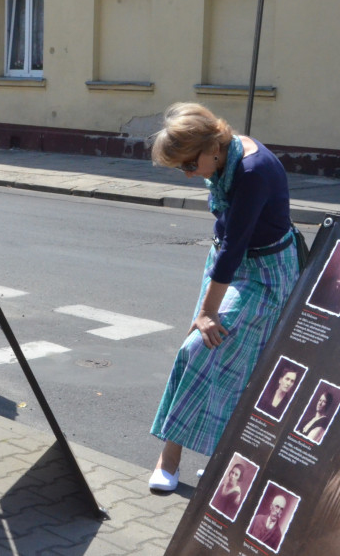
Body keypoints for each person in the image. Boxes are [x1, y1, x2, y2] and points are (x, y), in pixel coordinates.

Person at [148, 103, 300, 492]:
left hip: (264, 274)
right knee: (211, 354)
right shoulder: (224, 156)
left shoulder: (252, 170)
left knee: (204, 351)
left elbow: (237, 245)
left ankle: (205, 458)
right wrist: (207, 308)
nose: (187, 174)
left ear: (211, 147)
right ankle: (182, 456)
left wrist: (207, 310)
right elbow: (229, 245)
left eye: (188, 165)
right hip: (228, 266)